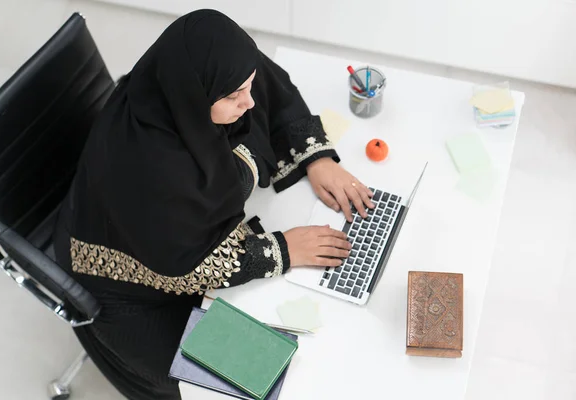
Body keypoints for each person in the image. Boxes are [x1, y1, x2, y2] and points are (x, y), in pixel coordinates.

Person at [53, 9, 374, 400]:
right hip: (130, 295)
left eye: (248, 85)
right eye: (234, 95)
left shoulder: (191, 77)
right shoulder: (156, 172)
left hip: (168, 238)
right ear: (193, 94)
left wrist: (316, 157)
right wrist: (283, 250)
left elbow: (266, 84)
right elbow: (188, 264)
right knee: (256, 379)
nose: (249, 102)